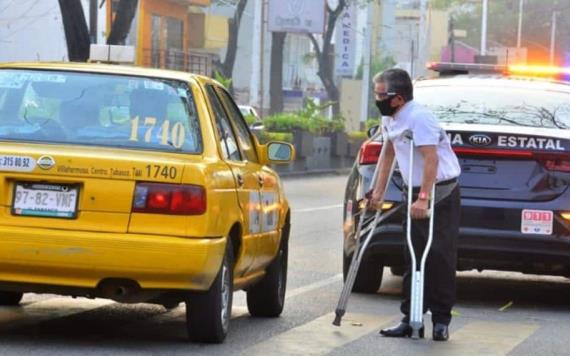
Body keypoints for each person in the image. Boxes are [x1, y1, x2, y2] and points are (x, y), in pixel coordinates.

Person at [369, 68, 461, 341]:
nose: (377, 98)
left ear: (397, 98)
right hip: (413, 189)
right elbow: (388, 152)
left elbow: (431, 159)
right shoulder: (390, 118)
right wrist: (379, 191)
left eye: (380, 94)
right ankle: (410, 318)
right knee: (412, 254)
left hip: (439, 191)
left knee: (439, 256)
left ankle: (441, 321)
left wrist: (424, 198)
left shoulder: (419, 118)